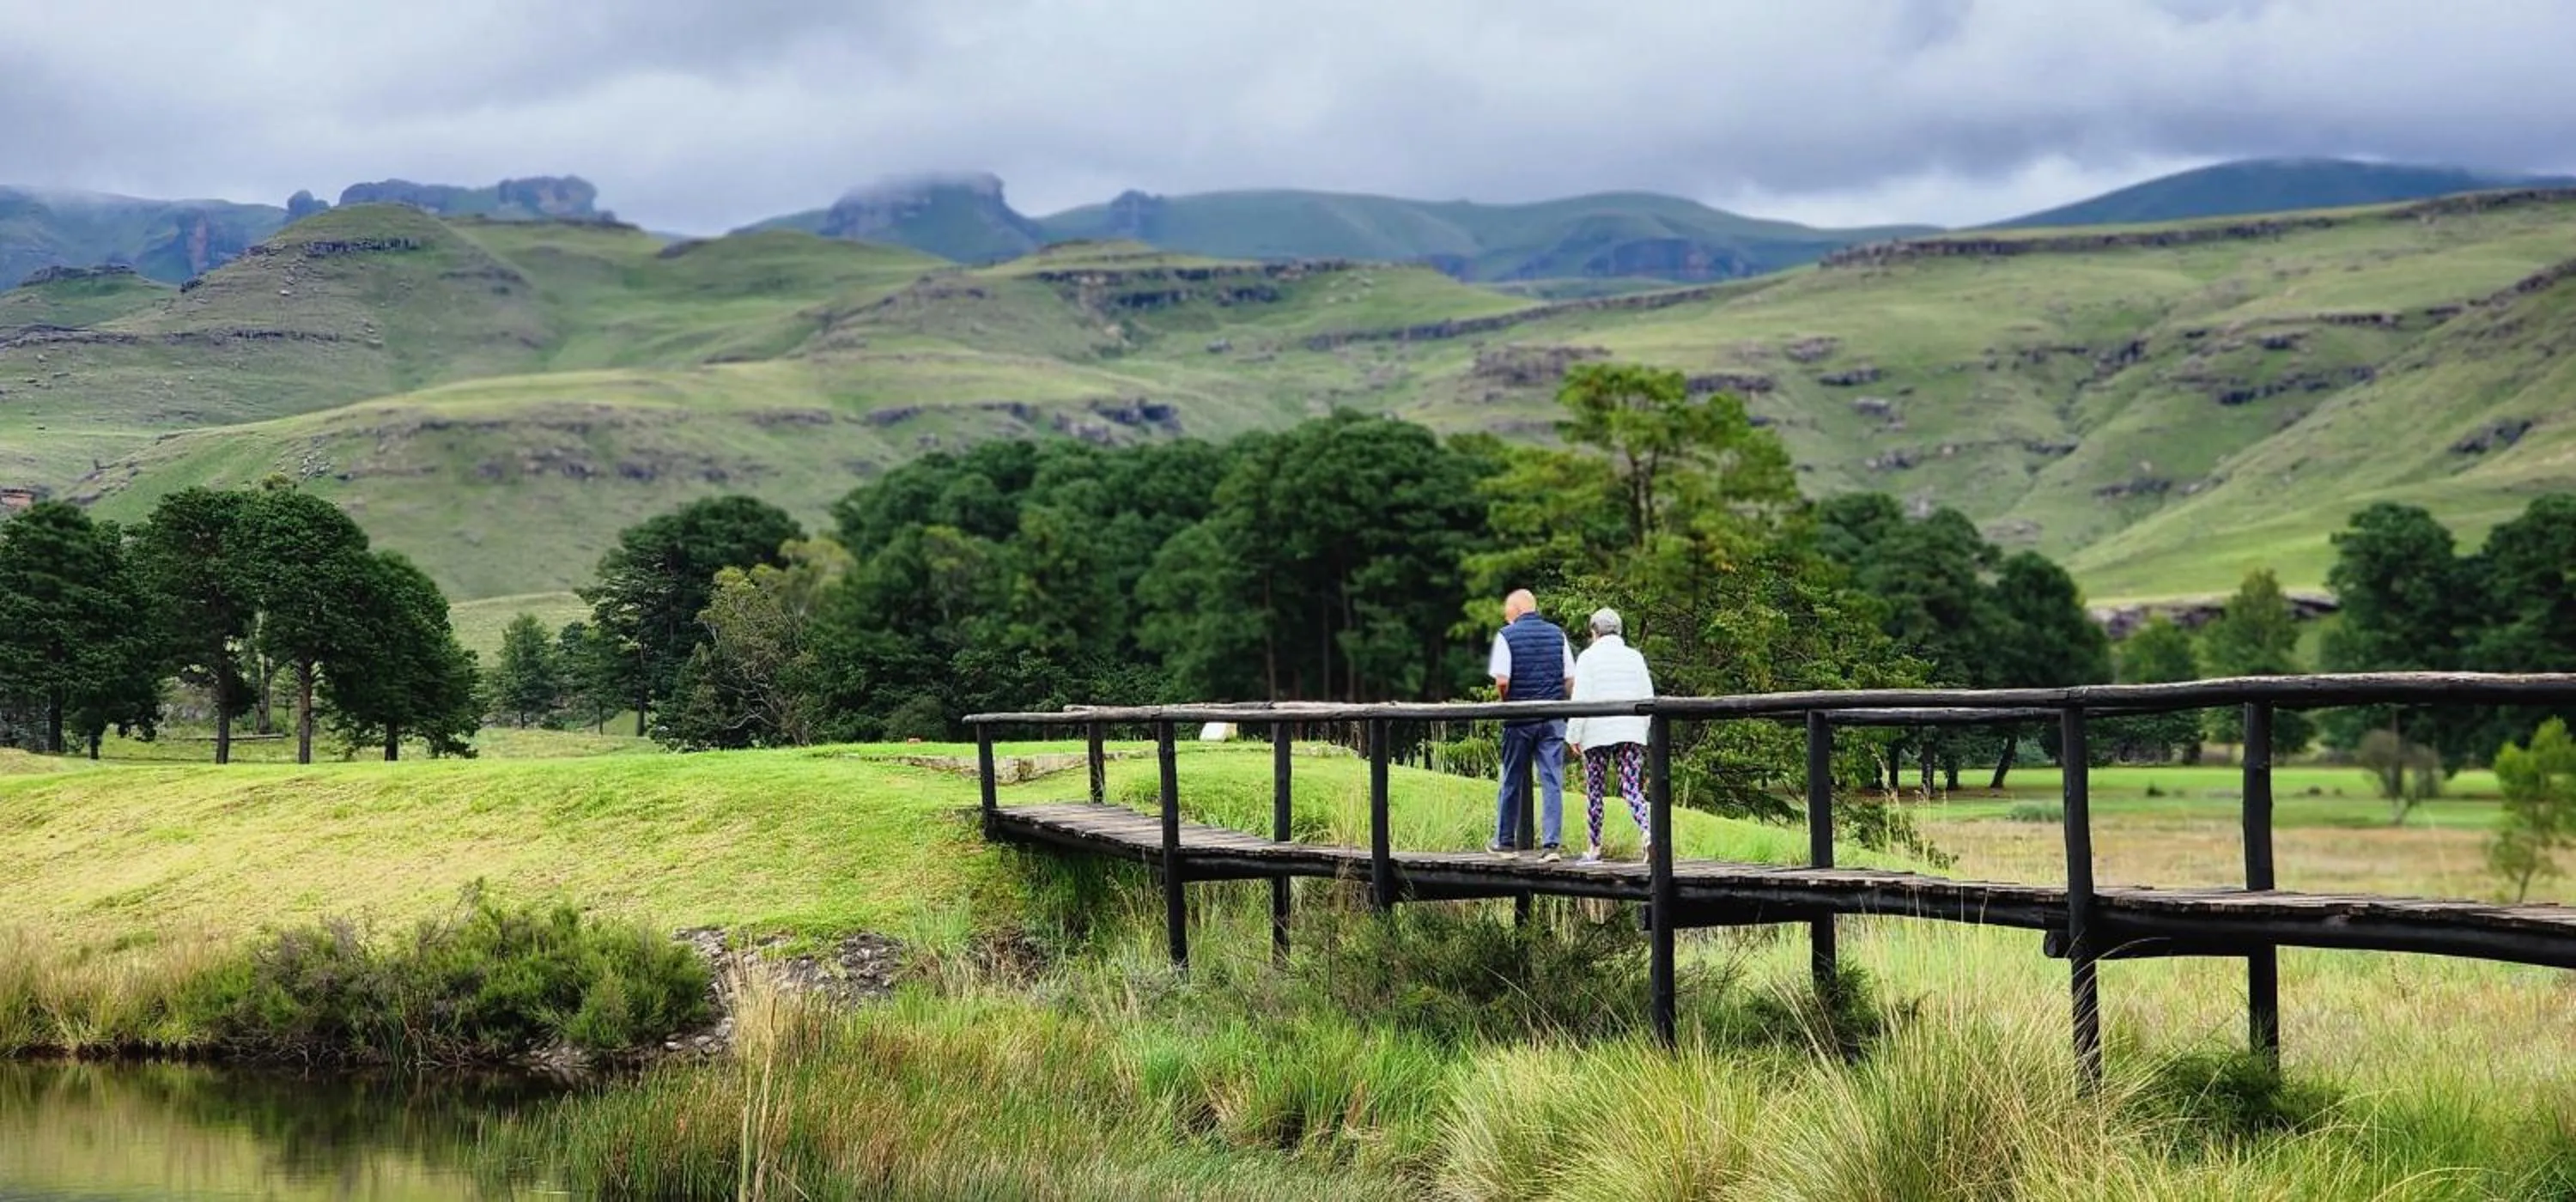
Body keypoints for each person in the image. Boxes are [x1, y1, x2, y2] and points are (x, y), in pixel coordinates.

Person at [1487, 589, 1573, 860]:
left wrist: (1506, 702)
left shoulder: (1506, 635)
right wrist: (1561, 701)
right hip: (1552, 718)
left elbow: (1502, 680)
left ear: (1517, 609)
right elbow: (1570, 679)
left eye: (1507, 610)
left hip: (1519, 718)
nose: (1505, 615)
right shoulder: (1557, 634)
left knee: (1511, 778)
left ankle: (1505, 842)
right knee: (1551, 780)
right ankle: (1551, 846)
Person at [1565, 607, 1655, 864]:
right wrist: (1643, 730)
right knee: (1631, 787)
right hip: (1630, 730)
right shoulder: (1634, 657)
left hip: (1596, 732)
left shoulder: (1588, 658)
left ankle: (1594, 848)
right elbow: (1646, 695)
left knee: (1595, 789)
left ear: (1595, 632)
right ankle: (1648, 834)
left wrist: (1573, 735)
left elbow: (1580, 698)